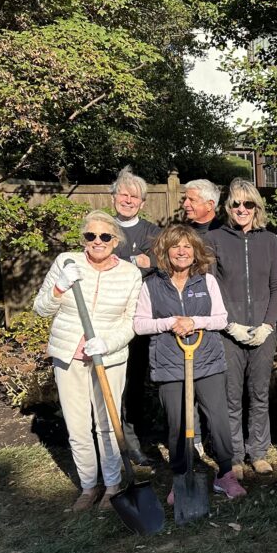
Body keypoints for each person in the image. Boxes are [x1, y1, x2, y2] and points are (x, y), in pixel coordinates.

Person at [33, 211, 143, 511]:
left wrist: (107, 343)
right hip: (69, 354)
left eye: (105, 236)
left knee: (107, 423)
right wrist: (59, 288)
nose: (97, 242)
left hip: (109, 356)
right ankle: (88, 486)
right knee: (77, 424)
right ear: (83, 238)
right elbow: (41, 308)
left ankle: (111, 486)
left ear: (115, 241)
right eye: (90, 236)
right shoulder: (66, 263)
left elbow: (132, 321)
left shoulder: (129, 274)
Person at [132, 224, 247, 503]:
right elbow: (139, 324)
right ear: (165, 251)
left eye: (187, 247)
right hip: (170, 362)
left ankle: (225, 474)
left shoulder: (206, 281)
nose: (181, 252)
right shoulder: (151, 285)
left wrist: (194, 322)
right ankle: (181, 477)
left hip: (207, 360)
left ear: (195, 252)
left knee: (219, 420)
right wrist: (171, 323)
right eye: (175, 246)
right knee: (177, 423)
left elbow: (220, 318)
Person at [207, 179, 277, 478]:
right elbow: (212, 285)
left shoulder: (269, 240)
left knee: (259, 393)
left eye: (248, 204)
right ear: (228, 208)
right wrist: (228, 324)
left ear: (257, 207)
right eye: (236, 204)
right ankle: (235, 455)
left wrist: (268, 324)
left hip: (263, 331)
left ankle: (259, 451)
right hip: (230, 331)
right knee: (231, 394)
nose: (242, 209)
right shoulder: (215, 239)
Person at [110, 166, 159, 466]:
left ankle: (136, 435)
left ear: (143, 203)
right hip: (110, 318)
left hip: (142, 318)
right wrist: (136, 262)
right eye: (123, 194)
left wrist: (148, 260)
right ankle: (118, 440)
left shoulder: (152, 232)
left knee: (137, 380)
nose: (127, 200)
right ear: (113, 196)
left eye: (134, 196)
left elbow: (162, 261)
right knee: (117, 380)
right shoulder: (102, 227)